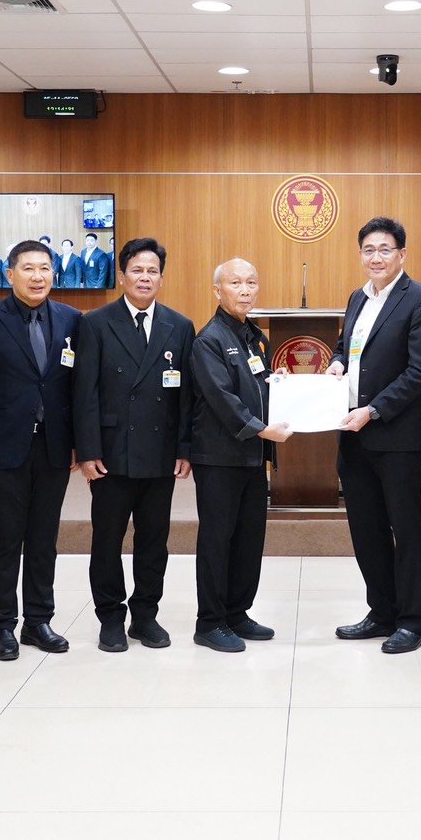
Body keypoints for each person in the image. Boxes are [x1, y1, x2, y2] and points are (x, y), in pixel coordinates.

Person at [327, 216, 421, 654]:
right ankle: (381, 612)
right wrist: (337, 362)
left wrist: (373, 410)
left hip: (396, 436)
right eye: (368, 250)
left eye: (385, 249)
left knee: (405, 528)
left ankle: (413, 621)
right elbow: (346, 346)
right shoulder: (358, 297)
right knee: (366, 528)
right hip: (353, 435)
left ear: (402, 254)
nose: (376, 257)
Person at [73, 237, 194, 652]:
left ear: (162, 278)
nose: (145, 278)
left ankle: (145, 616)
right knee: (107, 540)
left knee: (154, 541)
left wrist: (184, 448)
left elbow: (186, 396)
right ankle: (110, 617)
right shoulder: (95, 323)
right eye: (137, 270)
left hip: (161, 454)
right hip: (110, 453)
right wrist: (87, 451)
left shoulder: (180, 326)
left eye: (152, 271)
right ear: (122, 276)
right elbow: (84, 392)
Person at [0, 239, 81, 660]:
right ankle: (2, 624)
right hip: (4, 449)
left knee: (44, 539)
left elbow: (76, 387)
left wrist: (78, 443)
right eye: (28, 268)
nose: (37, 276)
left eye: (45, 268)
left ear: (54, 274)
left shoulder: (71, 319)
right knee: (5, 538)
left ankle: (38, 620)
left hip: (53, 447)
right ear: (10, 274)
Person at [187, 258, 293, 652]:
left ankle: (237, 612)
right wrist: (262, 428)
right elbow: (221, 398)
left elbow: (257, 386)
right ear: (218, 290)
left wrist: (279, 387)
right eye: (235, 283)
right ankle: (210, 622)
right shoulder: (209, 340)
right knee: (218, 539)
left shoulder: (254, 336)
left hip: (251, 455)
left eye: (251, 282)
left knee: (249, 538)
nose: (245, 290)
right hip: (219, 457)